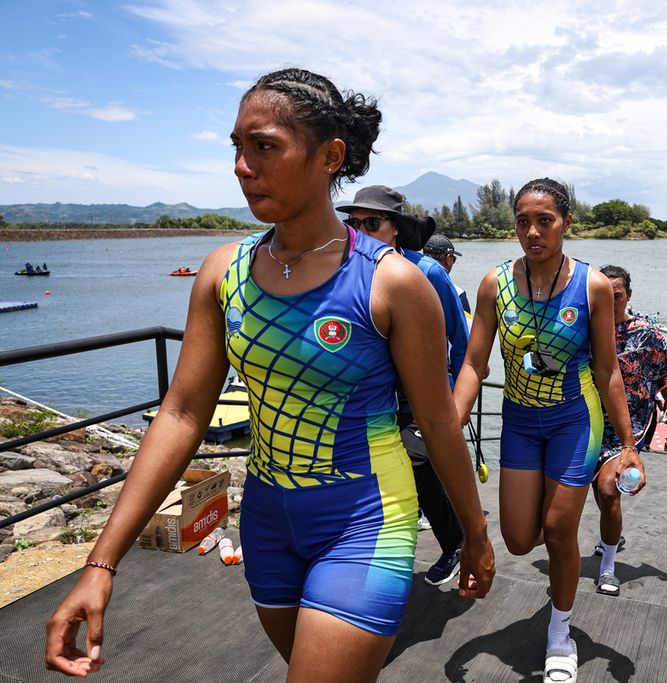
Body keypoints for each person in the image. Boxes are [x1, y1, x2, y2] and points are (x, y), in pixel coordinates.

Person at [44, 67, 494, 681]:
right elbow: (180, 414)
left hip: (365, 518)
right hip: (265, 524)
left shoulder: (391, 282)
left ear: (330, 156)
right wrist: (101, 565)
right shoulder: (223, 272)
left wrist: (474, 531)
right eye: (236, 146)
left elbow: (440, 421)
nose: (240, 165)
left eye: (263, 146)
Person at [453, 178, 641, 683]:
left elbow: (608, 371)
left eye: (544, 221)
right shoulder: (495, 283)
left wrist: (627, 445)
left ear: (565, 223)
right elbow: (474, 362)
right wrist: (452, 418)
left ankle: (560, 635)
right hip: (518, 418)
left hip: (574, 419)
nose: (532, 232)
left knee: (559, 531)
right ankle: (561, 551)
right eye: (522, 221)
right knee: (517, 539)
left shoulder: (594, 286)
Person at [338, 184, 470, 587]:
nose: (360, 231)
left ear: (394, 228)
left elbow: (462, 343)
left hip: (423, 398)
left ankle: (457, 544)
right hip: (374, 401)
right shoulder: (348, 272)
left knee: (418, 468)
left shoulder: (426, 272)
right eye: (353, 223)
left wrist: (457, 408)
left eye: (371, 223)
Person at [590, 264, 667, 598]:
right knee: (597, 486)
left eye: (616, 296)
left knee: (607, 488)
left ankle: (608, 568)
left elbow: (665, 376)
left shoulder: (646, 333)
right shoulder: (586, 328)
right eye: (602, 295)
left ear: (628, 295)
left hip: (630, 423)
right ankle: (612, 532)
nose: (609, 302)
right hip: (587, 420)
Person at [423, 234, 471, 317]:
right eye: (453, 259)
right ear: (448, 259)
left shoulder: (410, 285)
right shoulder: (458, 294)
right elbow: (466, 327)